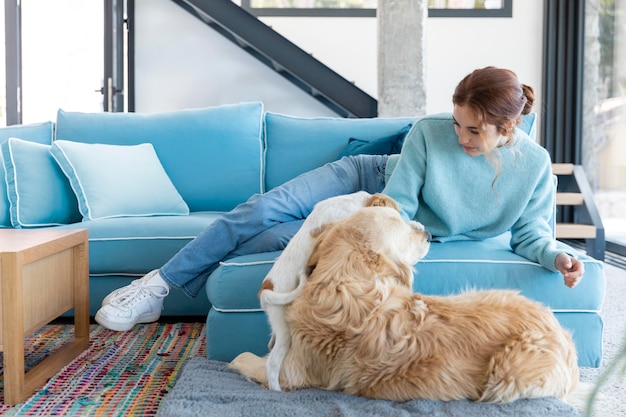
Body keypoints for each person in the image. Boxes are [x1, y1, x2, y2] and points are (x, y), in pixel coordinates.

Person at [95, 66, 585, 332]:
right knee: (261, 209)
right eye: (456, 123)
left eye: (474, 130)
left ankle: (176, 289)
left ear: (508, 127)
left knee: (274, 238)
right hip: (371, 181)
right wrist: (353, 219)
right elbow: (399, 205)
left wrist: (557, 256)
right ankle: (156, 286)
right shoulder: (430, 132)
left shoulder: (535, 167)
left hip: (390, 216)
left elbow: (530, 234)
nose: (460, 137)